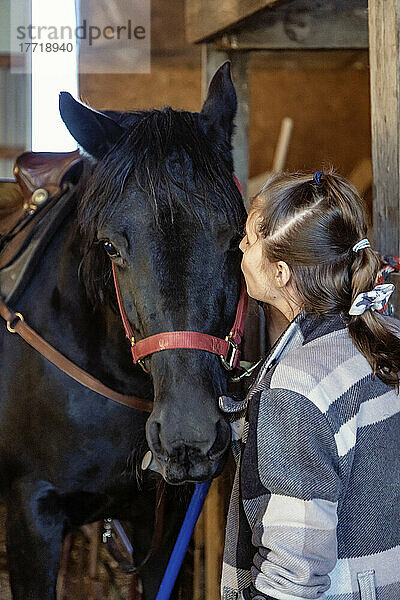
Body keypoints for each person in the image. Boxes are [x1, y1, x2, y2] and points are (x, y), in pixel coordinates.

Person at [220, 170, 400, 600]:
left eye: (249, 239)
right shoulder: (383, 335)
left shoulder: (297, 387)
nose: (240, 249)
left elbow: (293, 576)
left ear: (280, 272)